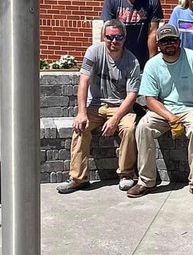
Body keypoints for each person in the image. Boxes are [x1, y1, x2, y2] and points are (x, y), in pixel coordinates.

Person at [128, 23, 193, 202]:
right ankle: (146, 181)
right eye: (164, 41)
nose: (169, 44)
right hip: (163, 109)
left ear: (179, 41)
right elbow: (150, 100)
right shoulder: (152, 65)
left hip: (190, 108)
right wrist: (170, 117)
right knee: (143, 126)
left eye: (172, 40)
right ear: (158, 44)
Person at [57, 19, 141, 195]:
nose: (114, 41)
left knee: (129, 128)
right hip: (95, 105)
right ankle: (78, 179)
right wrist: (81, 113)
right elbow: (83, 81)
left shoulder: (132, 61)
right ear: (103, 37)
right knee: (80, 127)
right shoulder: (94, 52)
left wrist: (115, 118)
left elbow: (132, 95)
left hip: (120, 106)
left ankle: (126, 175)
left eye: (118, 37)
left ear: (125, 38)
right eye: (109, 37)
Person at [100, 0, 163, 69]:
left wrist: (152, 63)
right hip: (118, 59)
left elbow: (153, 32)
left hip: (142, 59)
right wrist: (106, 60)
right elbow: (106, 31)